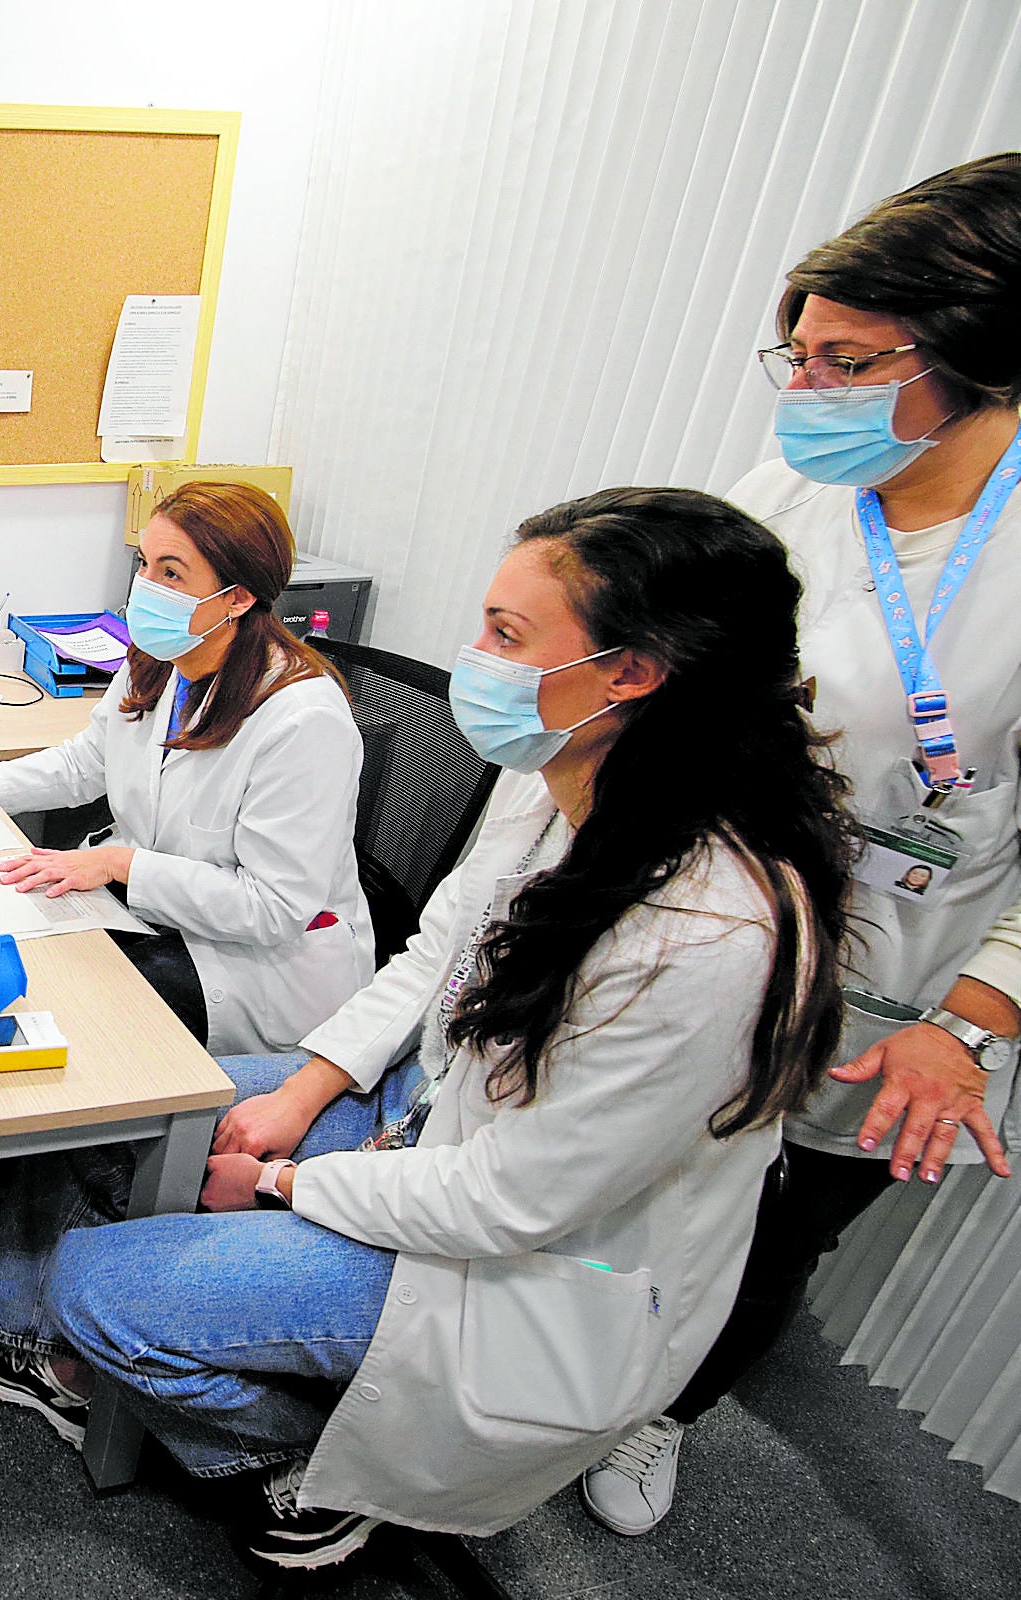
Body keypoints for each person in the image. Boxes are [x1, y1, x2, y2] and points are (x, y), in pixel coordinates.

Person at [0, 488, 855, 1571]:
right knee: (131, 1099)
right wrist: (299, 1094)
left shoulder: (705, 936)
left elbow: (507, 1199)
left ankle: (320, 1466)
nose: (470, 654)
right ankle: (40, 1353)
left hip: (517, 1263)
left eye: (507, 634)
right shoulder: (561, 780)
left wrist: (285, 1180)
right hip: (425, 1106)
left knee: (99, 1285)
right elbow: (433, 954)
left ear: (631, 671)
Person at [578, 152, 1021, 1536]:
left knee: (786, 1217)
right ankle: (563, 1365)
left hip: (915, 959)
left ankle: (662, 1409)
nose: (810, 392)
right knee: (648, 1157)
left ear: (982, 359)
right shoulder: (793, 486)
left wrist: (975, 1019)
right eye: (801, 356)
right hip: (729, 905)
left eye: (848, 362)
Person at [0, 480, 373, 1055]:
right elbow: (88, 762)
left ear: (237, 598)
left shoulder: (302, 719)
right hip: (159, 917)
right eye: (144, 564)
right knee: (3, 952)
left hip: (253, 969)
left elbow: (272, 908)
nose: (146, 588)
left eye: (172, 573)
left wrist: (118, 864)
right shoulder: (162, 660)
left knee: (67, 1009)